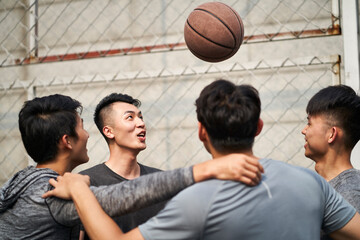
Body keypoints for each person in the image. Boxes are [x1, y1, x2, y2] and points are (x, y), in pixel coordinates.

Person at [44, 80, 360, 240]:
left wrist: (80, 190)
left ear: (201, 132)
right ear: (259, 127)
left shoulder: (198, 200)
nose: (140, 123)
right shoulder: (311, 183)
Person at [0, 94, 264, 239]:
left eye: (141, 117)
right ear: (66, 141)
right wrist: (207, 169)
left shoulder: (24, 182)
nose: (88, 135)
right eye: (82, 128)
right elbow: (124, 195)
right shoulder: (50, 193)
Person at [78, 93, 166, 238]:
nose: (141, 123)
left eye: (141, 117)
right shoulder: (86, 183)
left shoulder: (161, 181)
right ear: (108, 131)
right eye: (130, 117)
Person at [301, 85, 360, 212]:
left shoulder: (348, 195)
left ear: (331, 134)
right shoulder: (322, 187)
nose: (303, 131)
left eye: (309, 123)